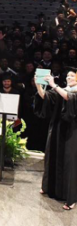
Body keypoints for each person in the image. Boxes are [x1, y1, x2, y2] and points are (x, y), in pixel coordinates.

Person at [34, 67, 77, 210]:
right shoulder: (62, 89)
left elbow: (68, 97)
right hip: (58, 128)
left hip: (72, 132)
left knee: (69, 164)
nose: (69, 78)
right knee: (52, 156)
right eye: (68, 76)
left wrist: (54, 84)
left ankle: (71, 199)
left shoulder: (72, 91)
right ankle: (49, 187)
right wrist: (38, 84)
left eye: (72, 76)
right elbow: (44, 96)